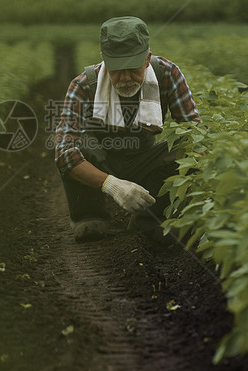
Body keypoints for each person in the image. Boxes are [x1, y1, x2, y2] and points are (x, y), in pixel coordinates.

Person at [53, 16, 201, 242]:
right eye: (116, 70)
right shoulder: (84, 85)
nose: (125, 78)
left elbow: (195, 135)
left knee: (186, 147)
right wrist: (111, 185)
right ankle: (90, 215)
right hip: (101, 159)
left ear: (147, 59)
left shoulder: (168, 75)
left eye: (132, 69)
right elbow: (64, 153)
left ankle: (149, 217)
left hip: (144, 159)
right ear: (104, 62)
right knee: (78, 145)